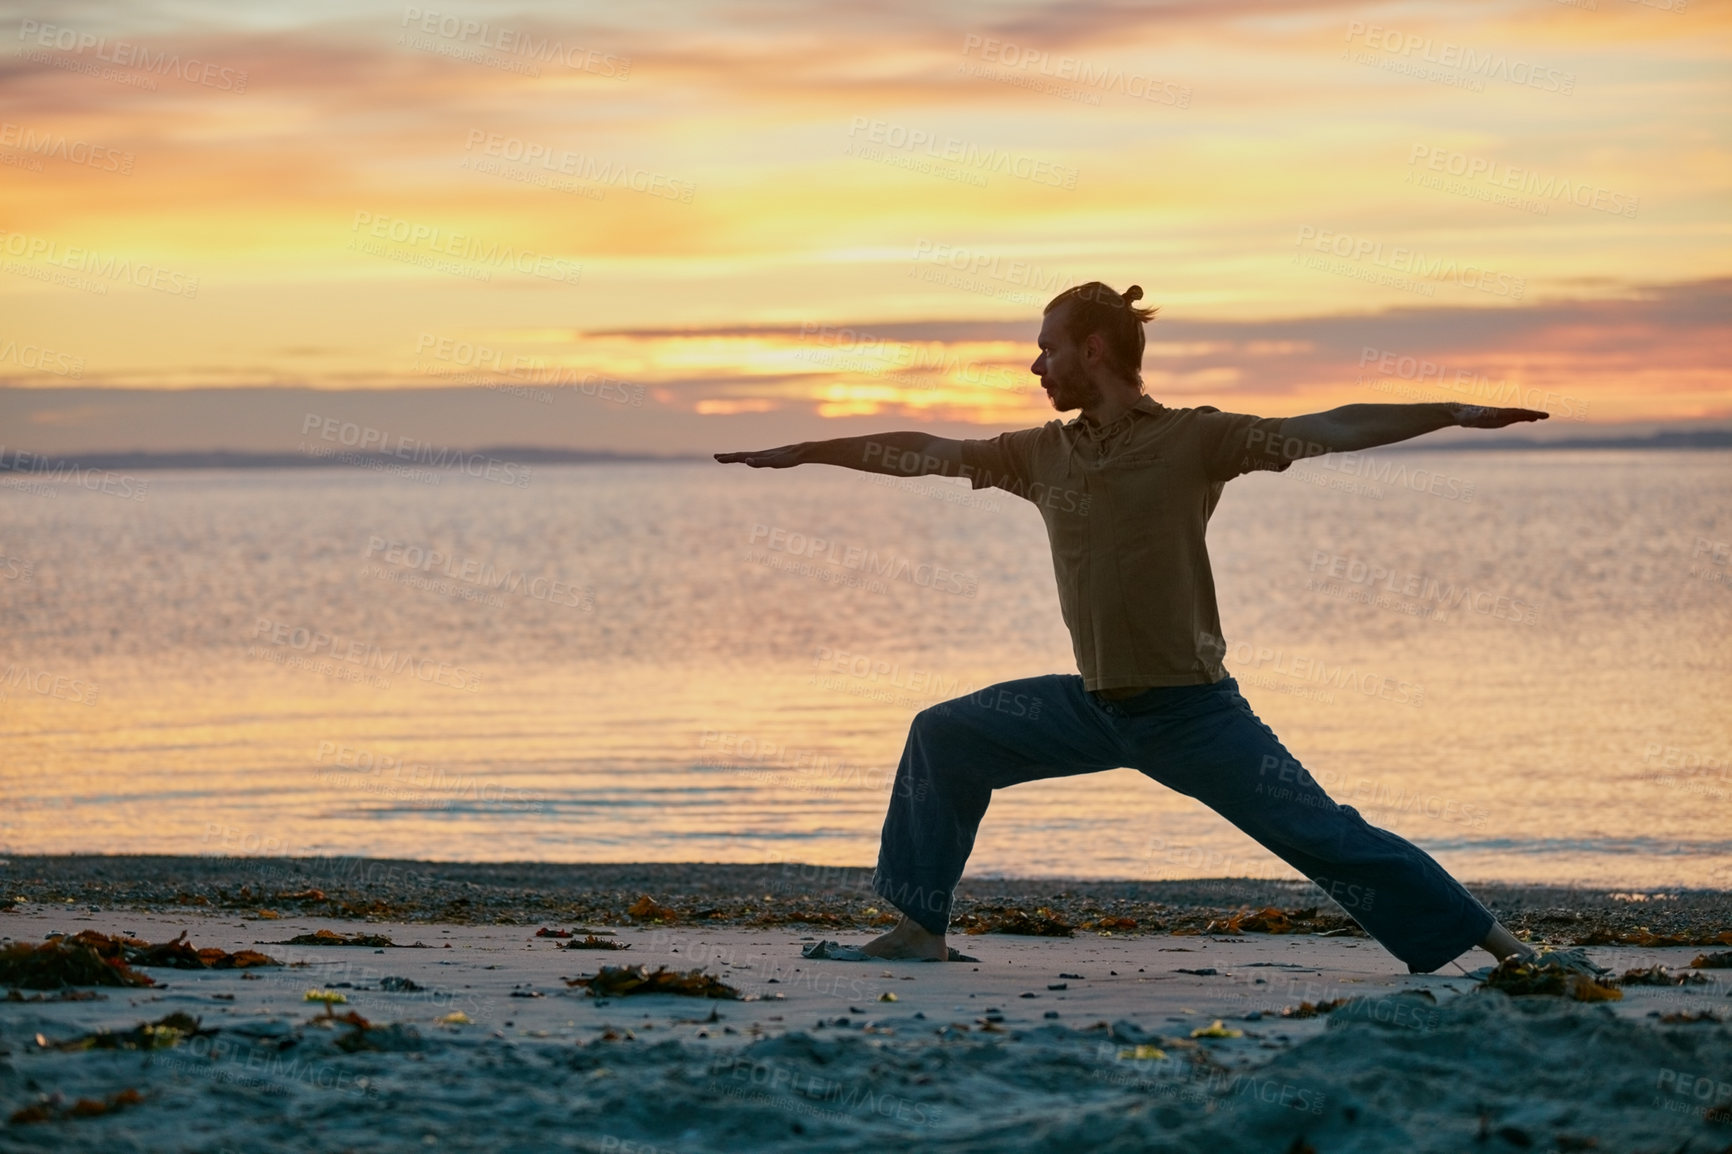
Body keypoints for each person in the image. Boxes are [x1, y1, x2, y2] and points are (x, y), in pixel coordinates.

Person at [715, 281, 1544, 973]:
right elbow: (923, 449)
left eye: (1047, 348)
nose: (1035, 365)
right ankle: (919, 931)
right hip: (1094, 705)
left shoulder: (1197, 439)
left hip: (1195, 714)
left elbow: (1334, 426)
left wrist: (1455, 409)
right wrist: (809, 449)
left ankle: (1511, 951)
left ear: (1094, 351)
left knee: (1326, 835)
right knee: (946, 735)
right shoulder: (1039, 454)